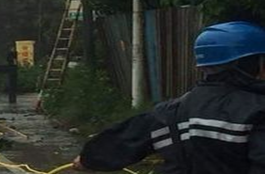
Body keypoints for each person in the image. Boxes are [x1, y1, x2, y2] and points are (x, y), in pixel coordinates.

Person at [73, 21, 265, 173]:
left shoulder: (172, 111)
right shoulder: (257, 111)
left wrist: (88, 159)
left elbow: (126, 138)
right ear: (247, 63)